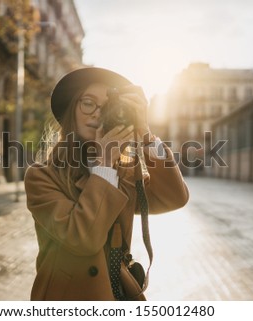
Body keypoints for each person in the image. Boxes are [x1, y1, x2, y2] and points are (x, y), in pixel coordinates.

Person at [24, 67, 189, 300]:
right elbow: (83, 240)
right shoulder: (42, 176)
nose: (96, 114)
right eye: (88, 103)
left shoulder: (124, 171)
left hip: (116, 291)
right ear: (72, 110)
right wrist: (104, 165)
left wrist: (146, 135)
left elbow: (175, 197)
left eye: (108, 106)